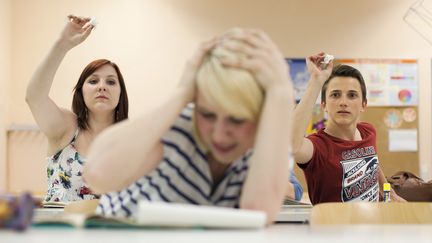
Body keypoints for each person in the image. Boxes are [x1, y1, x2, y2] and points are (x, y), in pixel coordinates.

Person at [84, 28, 296, 223]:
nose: (220, 136)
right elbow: (98, 175)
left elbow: (257, 212)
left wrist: (281, 95)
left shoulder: (269, 143)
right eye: (207, 114)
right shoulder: (179, 126)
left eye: (237, 120)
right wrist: (182, 91)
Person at [25, 15, 129, 202]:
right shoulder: (66, 127)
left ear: (121, 94)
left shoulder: (130, 140)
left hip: (113, 230)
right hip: (60, 230)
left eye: (111, 82)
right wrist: (62, 44)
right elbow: (34, 97)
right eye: (93, 81)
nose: (102, 86)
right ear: (81, 92)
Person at [291, 55, 404, 204]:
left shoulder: (368, 131)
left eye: (352, 95)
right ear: (324, 105)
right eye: (335, 95)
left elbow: (373, 165)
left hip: (374, 224)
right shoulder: (316, 147)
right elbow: (292, 145)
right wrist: (316, 81)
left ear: (363, 104)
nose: (343, 102)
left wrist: (391, 195)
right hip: (333, 226)